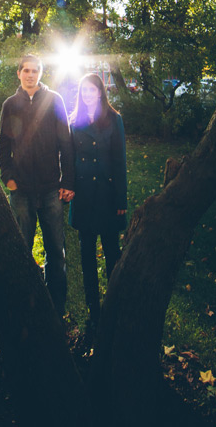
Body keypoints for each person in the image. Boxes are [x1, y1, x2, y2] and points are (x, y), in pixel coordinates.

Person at [0, 53, 75, 316]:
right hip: (21, 191)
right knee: (21, 250)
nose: (31, 74)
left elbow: (66, 143)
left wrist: (68, 181)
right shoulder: (10, 105)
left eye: (35, 70)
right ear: (18, 73)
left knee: (56, 251)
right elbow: (4, 147)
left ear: (41, 73)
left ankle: (56, 306)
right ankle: (23, 304)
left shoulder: (55, 101)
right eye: (26, 70)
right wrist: (8, 177)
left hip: (51, 188)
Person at [69, 73, 127, 333]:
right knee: (87, 258)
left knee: (112, 254)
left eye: (92, 90)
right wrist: (67, 187)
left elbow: (120, 162)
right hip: (83, 197)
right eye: (84, 90)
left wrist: (121, 199)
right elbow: (68, 161)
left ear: (101, 92)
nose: (88, 94)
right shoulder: (74, 121)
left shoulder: (115, 120)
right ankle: (94, 311)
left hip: (107, 195)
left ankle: (115, 308)